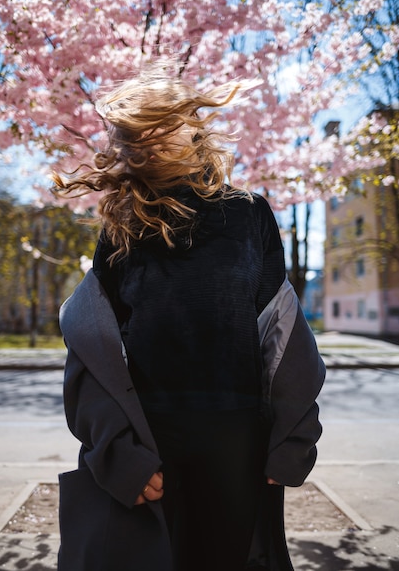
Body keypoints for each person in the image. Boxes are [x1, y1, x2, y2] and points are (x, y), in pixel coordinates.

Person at [55, 65, 326, 571]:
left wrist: (292, 438)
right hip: (149, 440)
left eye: (161, 125)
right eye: (136, 134)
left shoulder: (249, 213)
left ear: (193, 125)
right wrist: (116, 450)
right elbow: (91, 344)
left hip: (237, 443)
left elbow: (283, 335)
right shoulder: (122, 227)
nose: (149, 142)